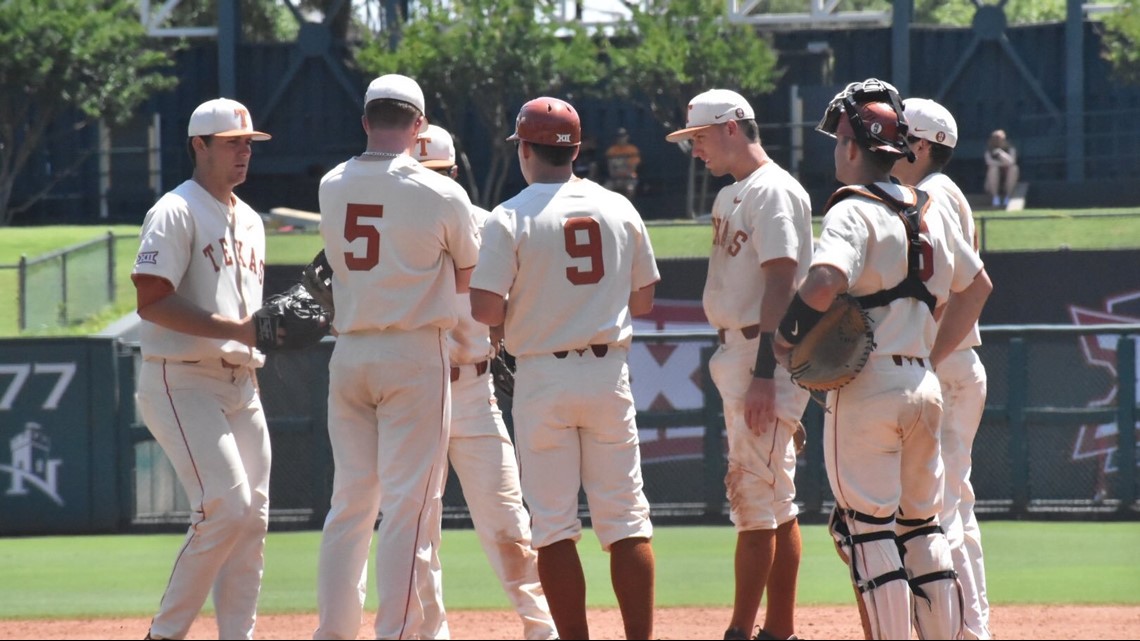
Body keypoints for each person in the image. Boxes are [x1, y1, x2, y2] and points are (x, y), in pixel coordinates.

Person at [772, 78, 992, 640]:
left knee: (868, 532)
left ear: (852, 146)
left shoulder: (853, 208)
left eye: (839, 141)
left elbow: (825, 278)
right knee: (923, 529)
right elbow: (977, 287)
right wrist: (930, 353)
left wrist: (787, 336)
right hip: (923, 383)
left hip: (868, 388)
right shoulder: (931, 208)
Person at [470, 96, 660, 640]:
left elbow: (485, 309)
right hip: (607, 372)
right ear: (576, 150)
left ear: (525, 150)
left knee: (553, 527)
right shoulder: (618, 206)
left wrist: (534, 304)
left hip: (543, 376)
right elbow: (644, 299)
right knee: (626, 521)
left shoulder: (510, 215)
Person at [312, 74, 482, 640]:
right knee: (409, 505)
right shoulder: (442, 193)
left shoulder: (331, 184)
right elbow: (468, 278)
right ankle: (399, 634)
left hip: (349, 351)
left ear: (366, 120)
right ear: (419, 125)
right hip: (413, 351)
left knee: (350, 503)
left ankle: (334, 633)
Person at [665, 89, 813, 641]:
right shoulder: (733, 193)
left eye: (699, 137)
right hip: (741, 350)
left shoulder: (773, 189)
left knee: (754, 500)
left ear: (731, 127)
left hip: (763, 354)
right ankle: (778, 630)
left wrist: (765, 373)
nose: (695, 149)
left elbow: (782, 279)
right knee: (774, 499)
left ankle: (740, 631)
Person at [132, 97, 273, 640]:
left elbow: (247, 316)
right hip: (182, 377)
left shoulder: (252, 219)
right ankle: (164, 634)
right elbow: (151, 300)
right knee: (225, 508)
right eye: (232, 143)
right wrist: (236, 329)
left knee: (253, 520)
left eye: (248, 143)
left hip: (243, 383)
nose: (244, 152)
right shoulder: (175, 210)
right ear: (199, 145)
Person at [412, 123, 558, 640]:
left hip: (474, 388)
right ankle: (429, 633)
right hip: (415, 391)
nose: (431, 183)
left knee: (507, 518)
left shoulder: (486, 224)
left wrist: (508, 346)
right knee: (417, 525)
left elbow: (515, 303)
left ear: (455, 173)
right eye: (419, 173)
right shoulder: (395, 231)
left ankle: (542, 627)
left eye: (438, 173)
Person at [893, 98, 993, 640]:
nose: (888, 143)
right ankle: (973, 627)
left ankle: (964, 632)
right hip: (956, 365)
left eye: (899, 134)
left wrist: (926, 363)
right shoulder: (940, 190)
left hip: (946, 364)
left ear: (922, 145)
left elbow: (960, 289)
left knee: (938, 512)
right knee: (955, 507)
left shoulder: (932, 192)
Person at [983, 129, 1019, 207]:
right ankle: (995, 197)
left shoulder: (1011, 149)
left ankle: (1008, 197)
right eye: (995, 139)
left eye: (1000, 139)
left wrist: (1001, 153)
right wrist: (1003, 164)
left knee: (1014, 168)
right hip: (991, 182)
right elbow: (989, 162)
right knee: (993, 169)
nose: (998, 141)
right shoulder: (989, 150)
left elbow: (1011, 162)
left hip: (1008, 178)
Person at [605, 127, 642, 200]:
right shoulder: (611, 150)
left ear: (627, 137)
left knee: (630, 189)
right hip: (614, 179)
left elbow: (632, 169)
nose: (621, 138)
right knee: (605, 189)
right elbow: (611, 169)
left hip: (629, 179)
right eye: (619, 136)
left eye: (623, 136)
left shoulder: (633, 149)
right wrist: (617, 177)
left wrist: (623, 173)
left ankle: (628, 205)